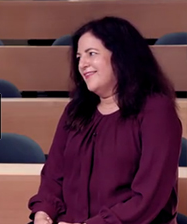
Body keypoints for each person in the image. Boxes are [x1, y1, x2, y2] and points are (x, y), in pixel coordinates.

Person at [28, 16, 182, 224]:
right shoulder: (75, 110)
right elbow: (53, 175)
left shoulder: (156, 111)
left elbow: (148, 198)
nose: (83, 64)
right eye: (79, 57)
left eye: (92, 54)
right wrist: (43, 213)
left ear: (122, 57)